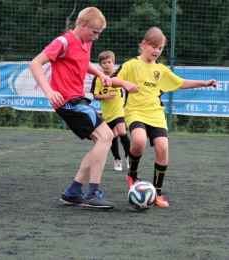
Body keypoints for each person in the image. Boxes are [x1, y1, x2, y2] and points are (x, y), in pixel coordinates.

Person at [29, 7, 139, 210]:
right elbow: (35, 63)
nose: (96, 37)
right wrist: (48, 91)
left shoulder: (85, 43)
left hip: (78, 100)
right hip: (69, 101)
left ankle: (72, 192)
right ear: (82, 25)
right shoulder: (63, 42)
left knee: (102, 141)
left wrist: (101, 75)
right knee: (106, 136)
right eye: (95, 32)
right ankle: (92, 193)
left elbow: (83, 62)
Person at [109, 27, 217, 207]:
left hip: (156, 113)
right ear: (144, 44)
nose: (157, 51)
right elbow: (111, 80)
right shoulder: (131, 65)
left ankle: (157, 193)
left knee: (163, 149)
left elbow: (181, 83)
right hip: (135, 111)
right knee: (139, 142)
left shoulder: (160, 70)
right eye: (154, 46)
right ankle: (133, 174)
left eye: (160, 48)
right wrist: (125, 83)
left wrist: (205, 83)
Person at [90, 50, 130, 171]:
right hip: (107, 113)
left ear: (114, 63)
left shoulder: (119, 76)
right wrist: (106, 96)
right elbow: (95, 95)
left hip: (119, 111)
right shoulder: (98, 78)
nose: (107, 64)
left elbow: (127, 86)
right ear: (100, 65)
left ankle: (129, 157)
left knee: (122, 132)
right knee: (112, 136)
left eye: (109, 62)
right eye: (104, 62)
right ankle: (117, 159)